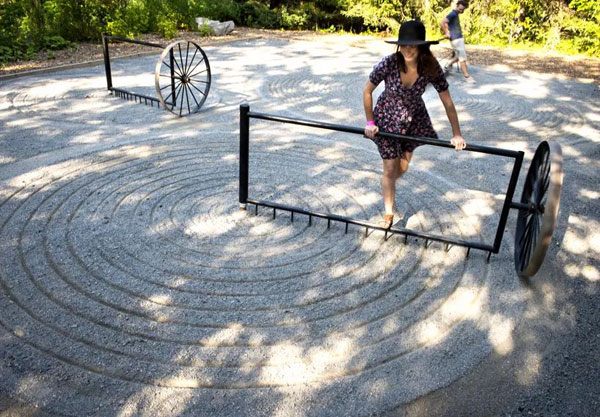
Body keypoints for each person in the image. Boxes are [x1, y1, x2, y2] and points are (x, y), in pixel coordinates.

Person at [363, 20, 466, 229]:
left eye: (413, 45)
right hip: (386, 119)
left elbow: (447, 101)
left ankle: (390, 180)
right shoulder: (389, 63)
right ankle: (389, 215)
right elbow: (367, 91)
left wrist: (457, 134)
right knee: (390, 169)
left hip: (413, 119)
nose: (408, 50)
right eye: (404, 45)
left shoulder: (430, 67)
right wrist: (370, 122)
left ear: (422, 47)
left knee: (401, 168)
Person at [440, 0, 471, 79]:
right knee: (462, 57)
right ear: (457, 6)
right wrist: (447, 32)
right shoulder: (453, 14)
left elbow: (448, 24)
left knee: (458, 56)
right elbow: (443, 22)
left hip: (459, 38)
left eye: (462, 9)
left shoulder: (456, 14)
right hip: (456, 39)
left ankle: (448, 64)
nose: (461, 11)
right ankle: (466, 75)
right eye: (460, 9)